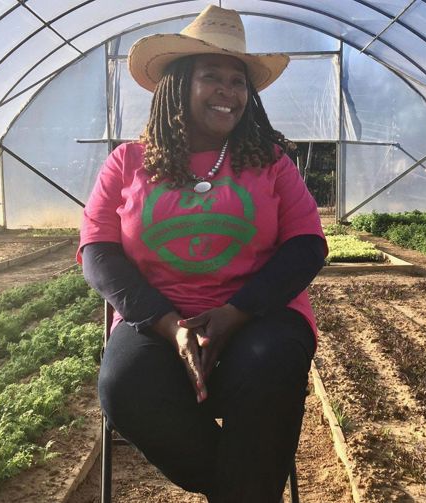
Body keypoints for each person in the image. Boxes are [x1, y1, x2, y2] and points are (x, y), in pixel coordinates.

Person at [78, 5, 327, 502]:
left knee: (270, 367)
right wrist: (171, 326)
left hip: (259, 317)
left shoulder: (270, 161)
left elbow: (306, 245)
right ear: (176, 85)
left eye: (238, 82)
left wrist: (237, 313)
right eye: (211, 76)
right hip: (154, 321)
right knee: (126, 388)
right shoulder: (127, 162)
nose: (228, 92)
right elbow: (98, 252)